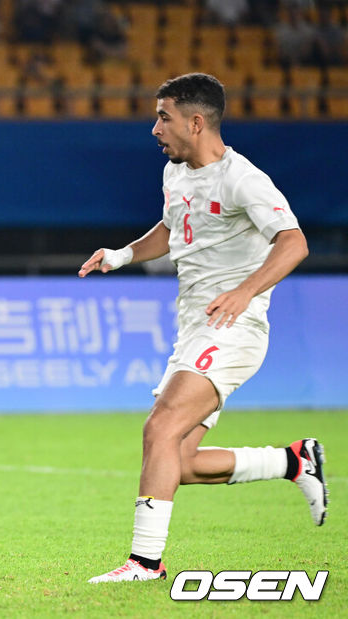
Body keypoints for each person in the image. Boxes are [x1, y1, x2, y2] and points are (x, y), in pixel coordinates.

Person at [79, 73, 326, 583]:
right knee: (177, 460)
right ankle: (293, 461)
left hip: (235, 327)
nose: (154, 129)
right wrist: (123, 254)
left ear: (196, 121)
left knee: (159, 429)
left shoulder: (243, 179)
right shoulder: (178, 174)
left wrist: (245, 290)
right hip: (194, 328)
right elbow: (174, 229)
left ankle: (145, 563)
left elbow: (293, 242)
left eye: (163, 117)